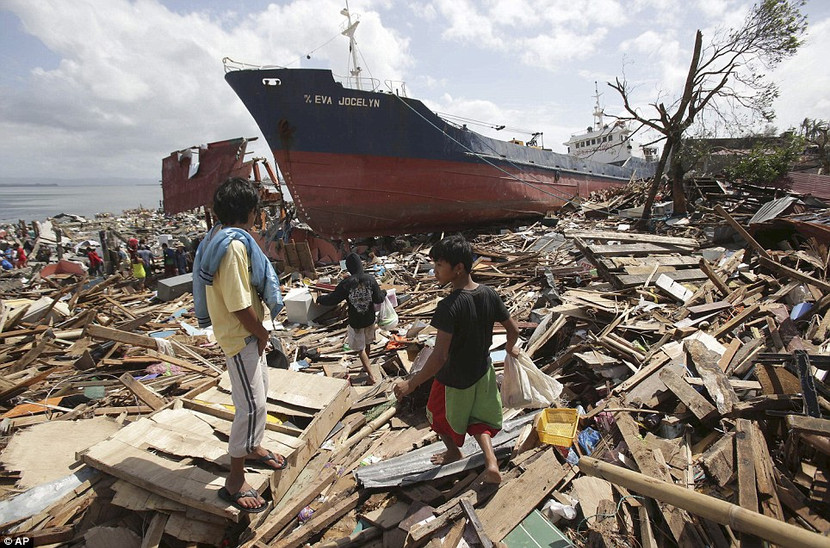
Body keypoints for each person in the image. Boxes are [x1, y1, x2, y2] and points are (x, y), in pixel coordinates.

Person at [393, 235, 520, 484]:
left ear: (458, 268)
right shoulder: (489, 294)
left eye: (440, 265)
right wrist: (510, 348)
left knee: (436, 414)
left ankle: (453, 452)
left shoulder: (449, 306)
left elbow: (439, 357)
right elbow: (513, 330)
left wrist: (412, 383)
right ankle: (491, 463)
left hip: (453, 378)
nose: (435, 271)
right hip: (483, 372)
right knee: (479, 419)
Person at [192, 177, 285, 513]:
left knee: (260, 396)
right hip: (241, 334)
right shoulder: (232, 246)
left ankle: (253, 447)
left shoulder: (220, 236)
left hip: (246, 333)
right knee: (248, 405)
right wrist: (262, 334)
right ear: (250, 212)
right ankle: (234, 480)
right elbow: (237, 302)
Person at [316, 252, 386, 384]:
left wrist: (320, 299)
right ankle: (368, 367)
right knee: (367, 344)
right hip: (370, 319)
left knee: (360, 350)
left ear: (349, 267)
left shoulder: (346, 283)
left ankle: (371, 375)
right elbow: (378, 299)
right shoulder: (370, 279)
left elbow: (333, 299)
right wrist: (384, 293)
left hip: (356, 321)